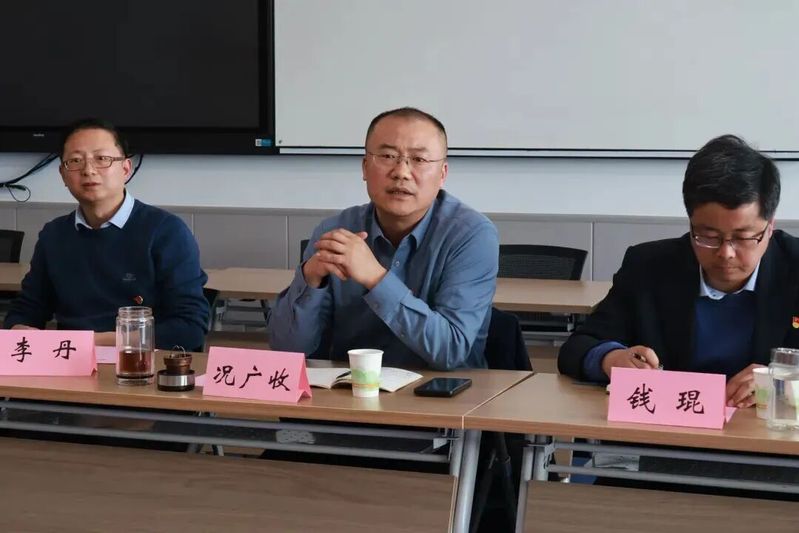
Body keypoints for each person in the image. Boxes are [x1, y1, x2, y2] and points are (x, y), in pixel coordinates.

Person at [558, 134, 799, 409]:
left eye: (743, 237)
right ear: (691, 223)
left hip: (767, 431)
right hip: (670, 429)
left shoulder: (794, 266)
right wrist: (609, 359)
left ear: (770, 226)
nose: (726, 252)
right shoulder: (649, 266)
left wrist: (783, 380)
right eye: (708, 236)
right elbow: (578, 346)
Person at [268, 107, 499, 370]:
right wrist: (311, 279)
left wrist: (375, 277)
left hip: (443, 391)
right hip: (350, 390)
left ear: (442, 174)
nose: (401, 172)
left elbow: (450, 350)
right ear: (365, 167)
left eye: (419, 159)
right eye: (388, 156)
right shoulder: (335, 230)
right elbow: (286, 351)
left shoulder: (472, 235)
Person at [4, 118, 209, 351]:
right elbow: (27, 309)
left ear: (126, 169)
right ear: (63, 174)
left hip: (142, 364)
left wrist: (96, 342)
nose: (88, 170)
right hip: (70, 362)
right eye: (75, 161)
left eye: (102, 159)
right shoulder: (54, 235)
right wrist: (18, 328)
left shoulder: (166, 231)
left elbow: (189, 329)